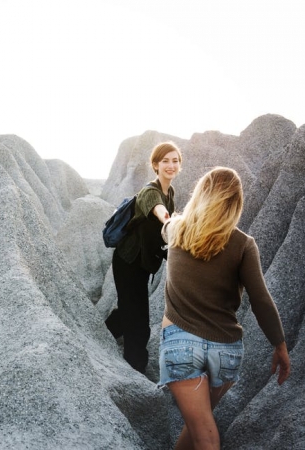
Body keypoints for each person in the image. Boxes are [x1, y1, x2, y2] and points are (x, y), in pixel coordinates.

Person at [158, 167, 291, 450]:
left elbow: (165, 227)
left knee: (203, 433)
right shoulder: (244, 244)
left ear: (200, 195)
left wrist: (167, 219)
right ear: (235, 202)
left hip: (181, 344)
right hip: (226, 351)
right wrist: (279, 345)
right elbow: (261, 300)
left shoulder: (177, 229)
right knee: (199, 426)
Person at [106, 141, 183, 374]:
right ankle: (135, 367)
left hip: (141, 266)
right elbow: (160, 212)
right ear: (155, 165)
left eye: (175, 160)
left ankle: (102, 334)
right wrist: (170, 221)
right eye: (165, 161)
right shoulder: (151, 192)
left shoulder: (170, 192)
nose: (171, 165)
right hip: (128, 263)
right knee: (138, 320)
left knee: (130, 309)